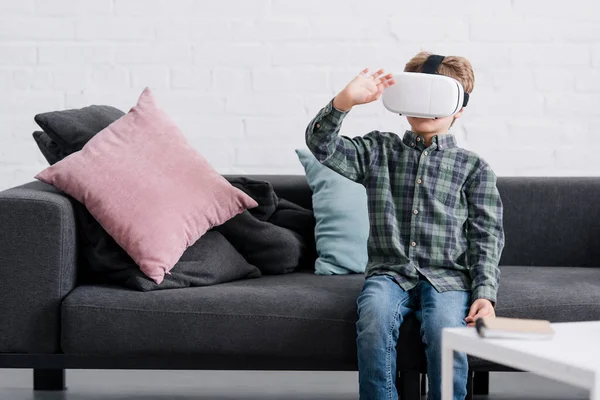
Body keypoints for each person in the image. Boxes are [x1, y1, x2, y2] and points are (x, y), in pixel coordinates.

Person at [304, 51, 505, 400]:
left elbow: (487, 237)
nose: (425, 107)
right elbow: (322, 147)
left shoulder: (474, 168)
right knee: (373, 322)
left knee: (446, 333)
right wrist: (344, 103)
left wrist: (485, 294)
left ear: (459, 107)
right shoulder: (378, 151)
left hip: (448, 278)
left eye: (439, 97)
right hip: (389, 273)